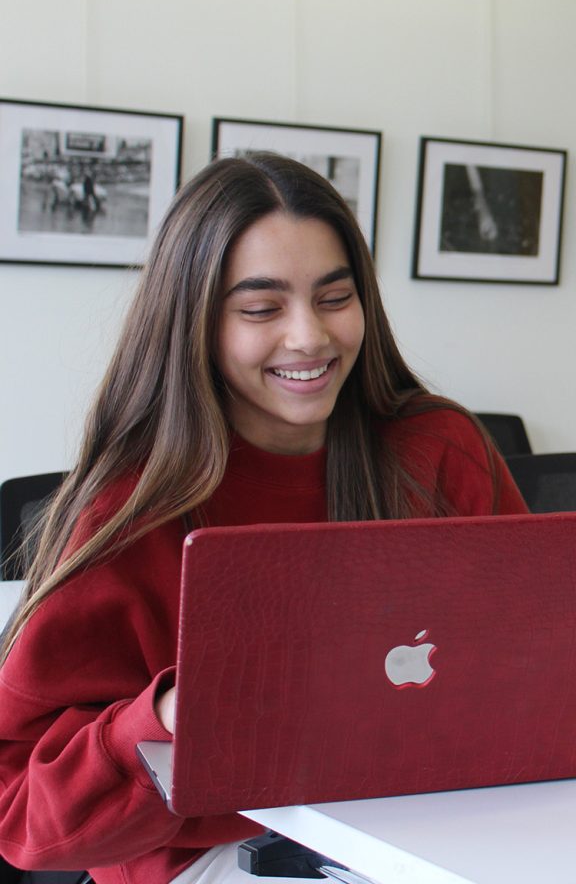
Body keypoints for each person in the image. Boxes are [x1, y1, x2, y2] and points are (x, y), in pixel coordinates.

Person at [0, 153, 528, 884]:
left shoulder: (439, 446)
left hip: (420, 825)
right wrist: (170, 718)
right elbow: (21, 812)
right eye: (261, 309)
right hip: (219, 854)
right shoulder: (128, 512)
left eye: (335, 298)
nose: (309, 337)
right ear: (195, 325)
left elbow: (532, 661)